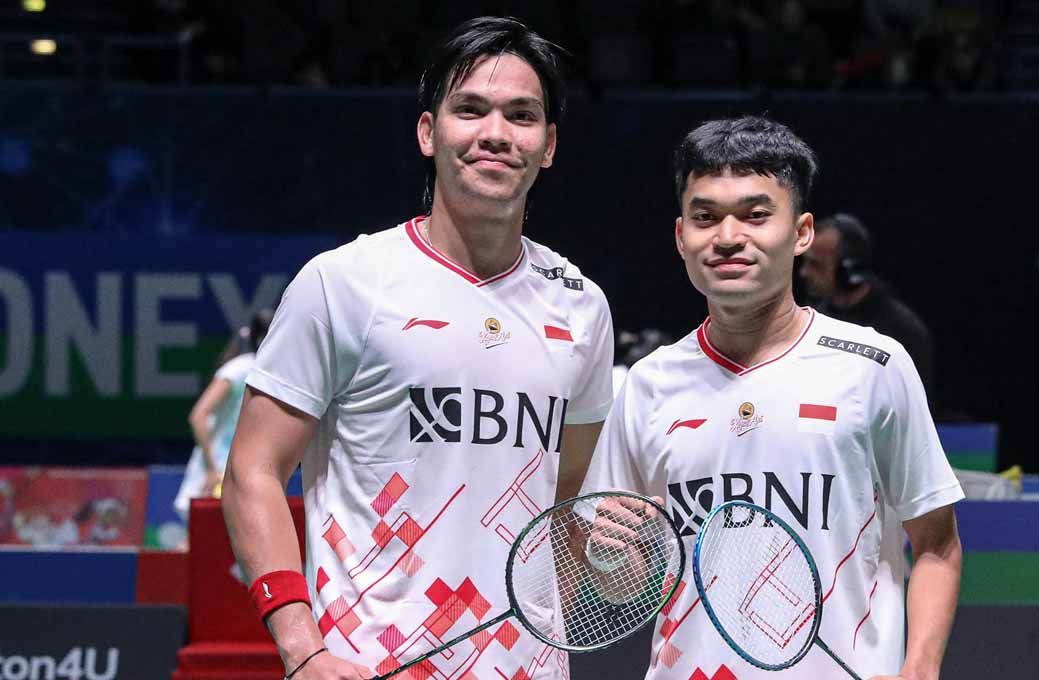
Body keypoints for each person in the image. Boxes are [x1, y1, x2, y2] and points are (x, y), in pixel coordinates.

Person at [221, 17, 615, 680]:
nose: (495, 133)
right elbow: (252, 471)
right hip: (371, 664)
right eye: (471, 110)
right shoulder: (344, 283)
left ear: (548, 146)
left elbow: (569, 490)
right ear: (429, 133)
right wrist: (301, 647)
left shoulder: (581, 306)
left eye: (521, 115)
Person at [580, 115, 963, 679]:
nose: (729, 237)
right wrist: (610, 556)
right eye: (705, 217)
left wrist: (920, 670)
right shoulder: (648, 384)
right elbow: (623, 587)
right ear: (681, 235)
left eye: (756, 215)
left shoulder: (873, 367)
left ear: (801, 232)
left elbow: (937, 545)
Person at [798, 213, 935, 404]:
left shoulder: (903, 331)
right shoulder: (807, 322)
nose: (804, 272)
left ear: (848, 269)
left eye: (816, 265)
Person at [174, 309, 273, 526]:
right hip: (217, 472)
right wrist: (211, 470)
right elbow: (198, 416)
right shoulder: (239, 369)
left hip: (243, 473)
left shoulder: (272, 372)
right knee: (203, 543)